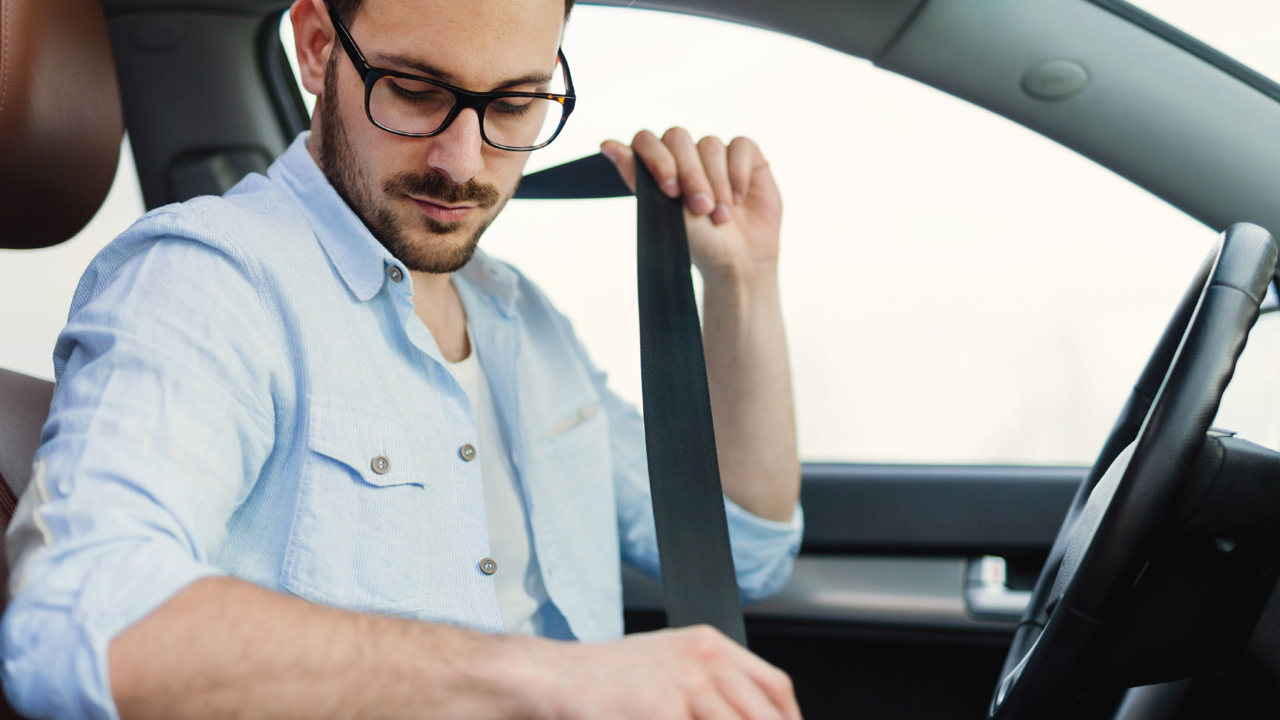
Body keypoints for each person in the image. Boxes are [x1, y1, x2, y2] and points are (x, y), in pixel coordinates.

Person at [2, 0, 804, 717]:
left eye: (516, 103)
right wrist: (547, 680)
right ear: (317, 48)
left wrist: (742, 281)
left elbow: (748, 553)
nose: (461, 163)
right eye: (417, 91)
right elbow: (77, 614)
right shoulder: (207, 281)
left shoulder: (523, 317)